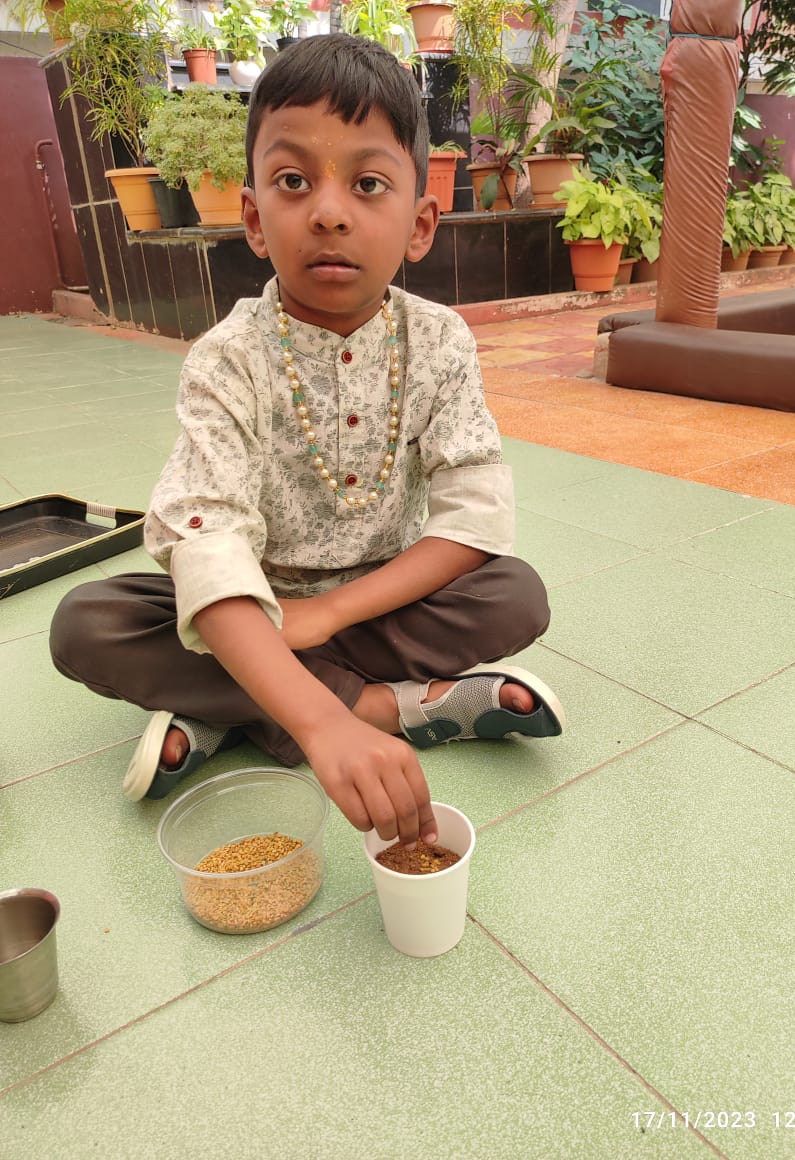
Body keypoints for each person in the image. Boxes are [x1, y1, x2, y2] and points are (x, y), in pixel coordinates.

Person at [49, 33, 564, 849]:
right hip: (251, 606)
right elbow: (206, 541)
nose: (328, 211)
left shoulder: (440, 341)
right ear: (255, 219)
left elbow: (472, 518)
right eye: (293, 181)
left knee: (514, 594)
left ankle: (236, 709)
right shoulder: (228, 356)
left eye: (368, 183)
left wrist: (324, 615)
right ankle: (390, 708)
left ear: (420, 224)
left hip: (383, 602)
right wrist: (327, 724)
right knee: (90, 622)